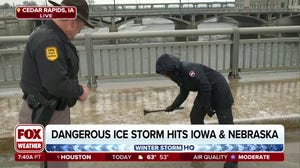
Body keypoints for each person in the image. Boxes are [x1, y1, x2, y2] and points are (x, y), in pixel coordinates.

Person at [19, 0, 94, 167]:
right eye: (81, 27)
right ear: (73, 22)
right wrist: (79, 90)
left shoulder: (47, 34)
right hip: (46, 113)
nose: (79, 31)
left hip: (43, 108)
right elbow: (56, 83)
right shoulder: (49, 41)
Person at [156, 53, 238, 168]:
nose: (164, 75)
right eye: (163, 73)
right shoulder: (176, 75)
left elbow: (205, 85)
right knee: (195, 117)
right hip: (205, 92)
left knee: (226, 125)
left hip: (219, 90)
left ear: (171, 68)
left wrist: (208, 106)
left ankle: (233, 159)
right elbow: (184, 92)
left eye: (165, 72)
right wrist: (173, 106)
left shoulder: (189, 70)